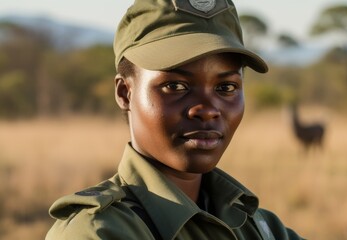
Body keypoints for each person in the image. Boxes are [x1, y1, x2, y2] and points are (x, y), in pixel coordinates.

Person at [46, 0, 304, 239]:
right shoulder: (98, 231)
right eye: (175, 86)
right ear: (125, 93)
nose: (207, 110)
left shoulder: (259, 228)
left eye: (226, 87)